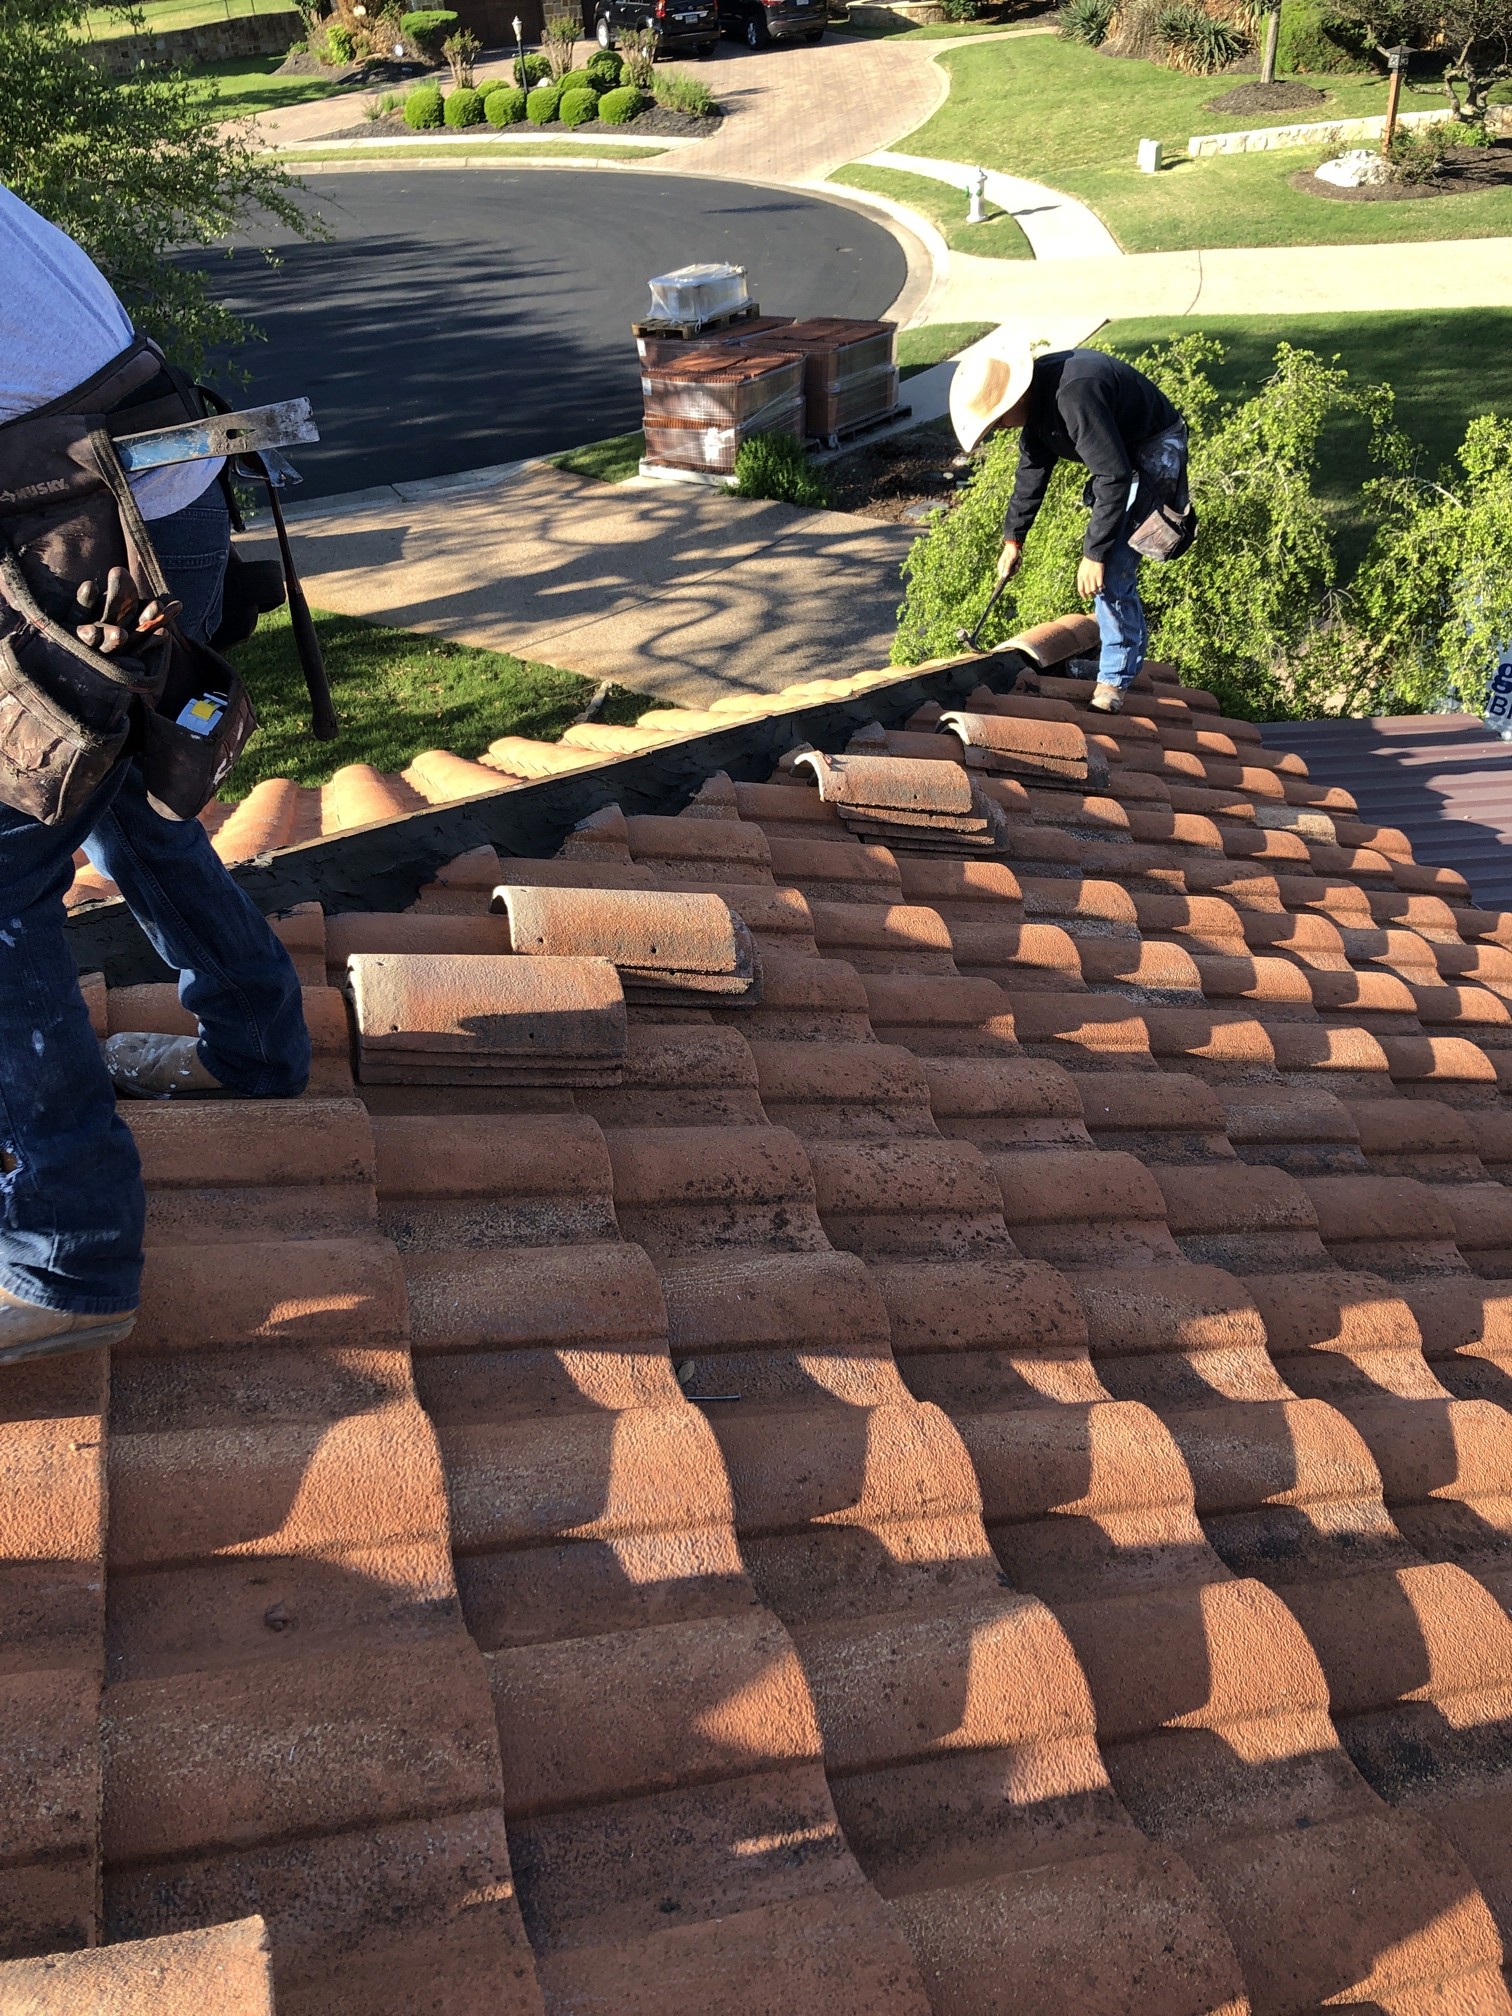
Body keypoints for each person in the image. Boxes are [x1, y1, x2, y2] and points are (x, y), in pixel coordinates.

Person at [0, 183, 310, 1367]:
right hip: (147, 507)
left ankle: (66, 1259)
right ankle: (253, 1044)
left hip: (90, 538)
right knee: (117, 794)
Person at [950, 334, 1189, 716]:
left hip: (1154, 448)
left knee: (1111, 567)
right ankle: (1117, 656)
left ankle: (1115, 678)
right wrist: (1014, 539)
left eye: (997, 421)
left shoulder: (1074, 395)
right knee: (1105, 543)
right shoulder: (1039, 405)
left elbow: (1113, 477)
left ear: (1015, 399)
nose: (1000, 428)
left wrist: (1094, 553)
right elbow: (1031, 472)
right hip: (1119, 457)